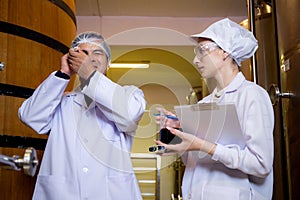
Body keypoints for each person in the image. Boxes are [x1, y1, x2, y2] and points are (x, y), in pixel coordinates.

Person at [155, 18, 274, 200]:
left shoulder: (251, 95)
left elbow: (261, 164)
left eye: (202, 51)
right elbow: (195, 161)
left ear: (225, 52)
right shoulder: (204, 104)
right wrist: (177, 132)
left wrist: (204, 145)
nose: (195, 59)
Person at [18, 32, 146, 200]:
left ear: (108, 63)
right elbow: (30, 116)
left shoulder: (130, 95)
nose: (89, 58)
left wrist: (89, 74)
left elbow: (129, 115)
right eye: (83, 53)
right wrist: (63, 73)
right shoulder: (61, 101)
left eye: (97, 53)